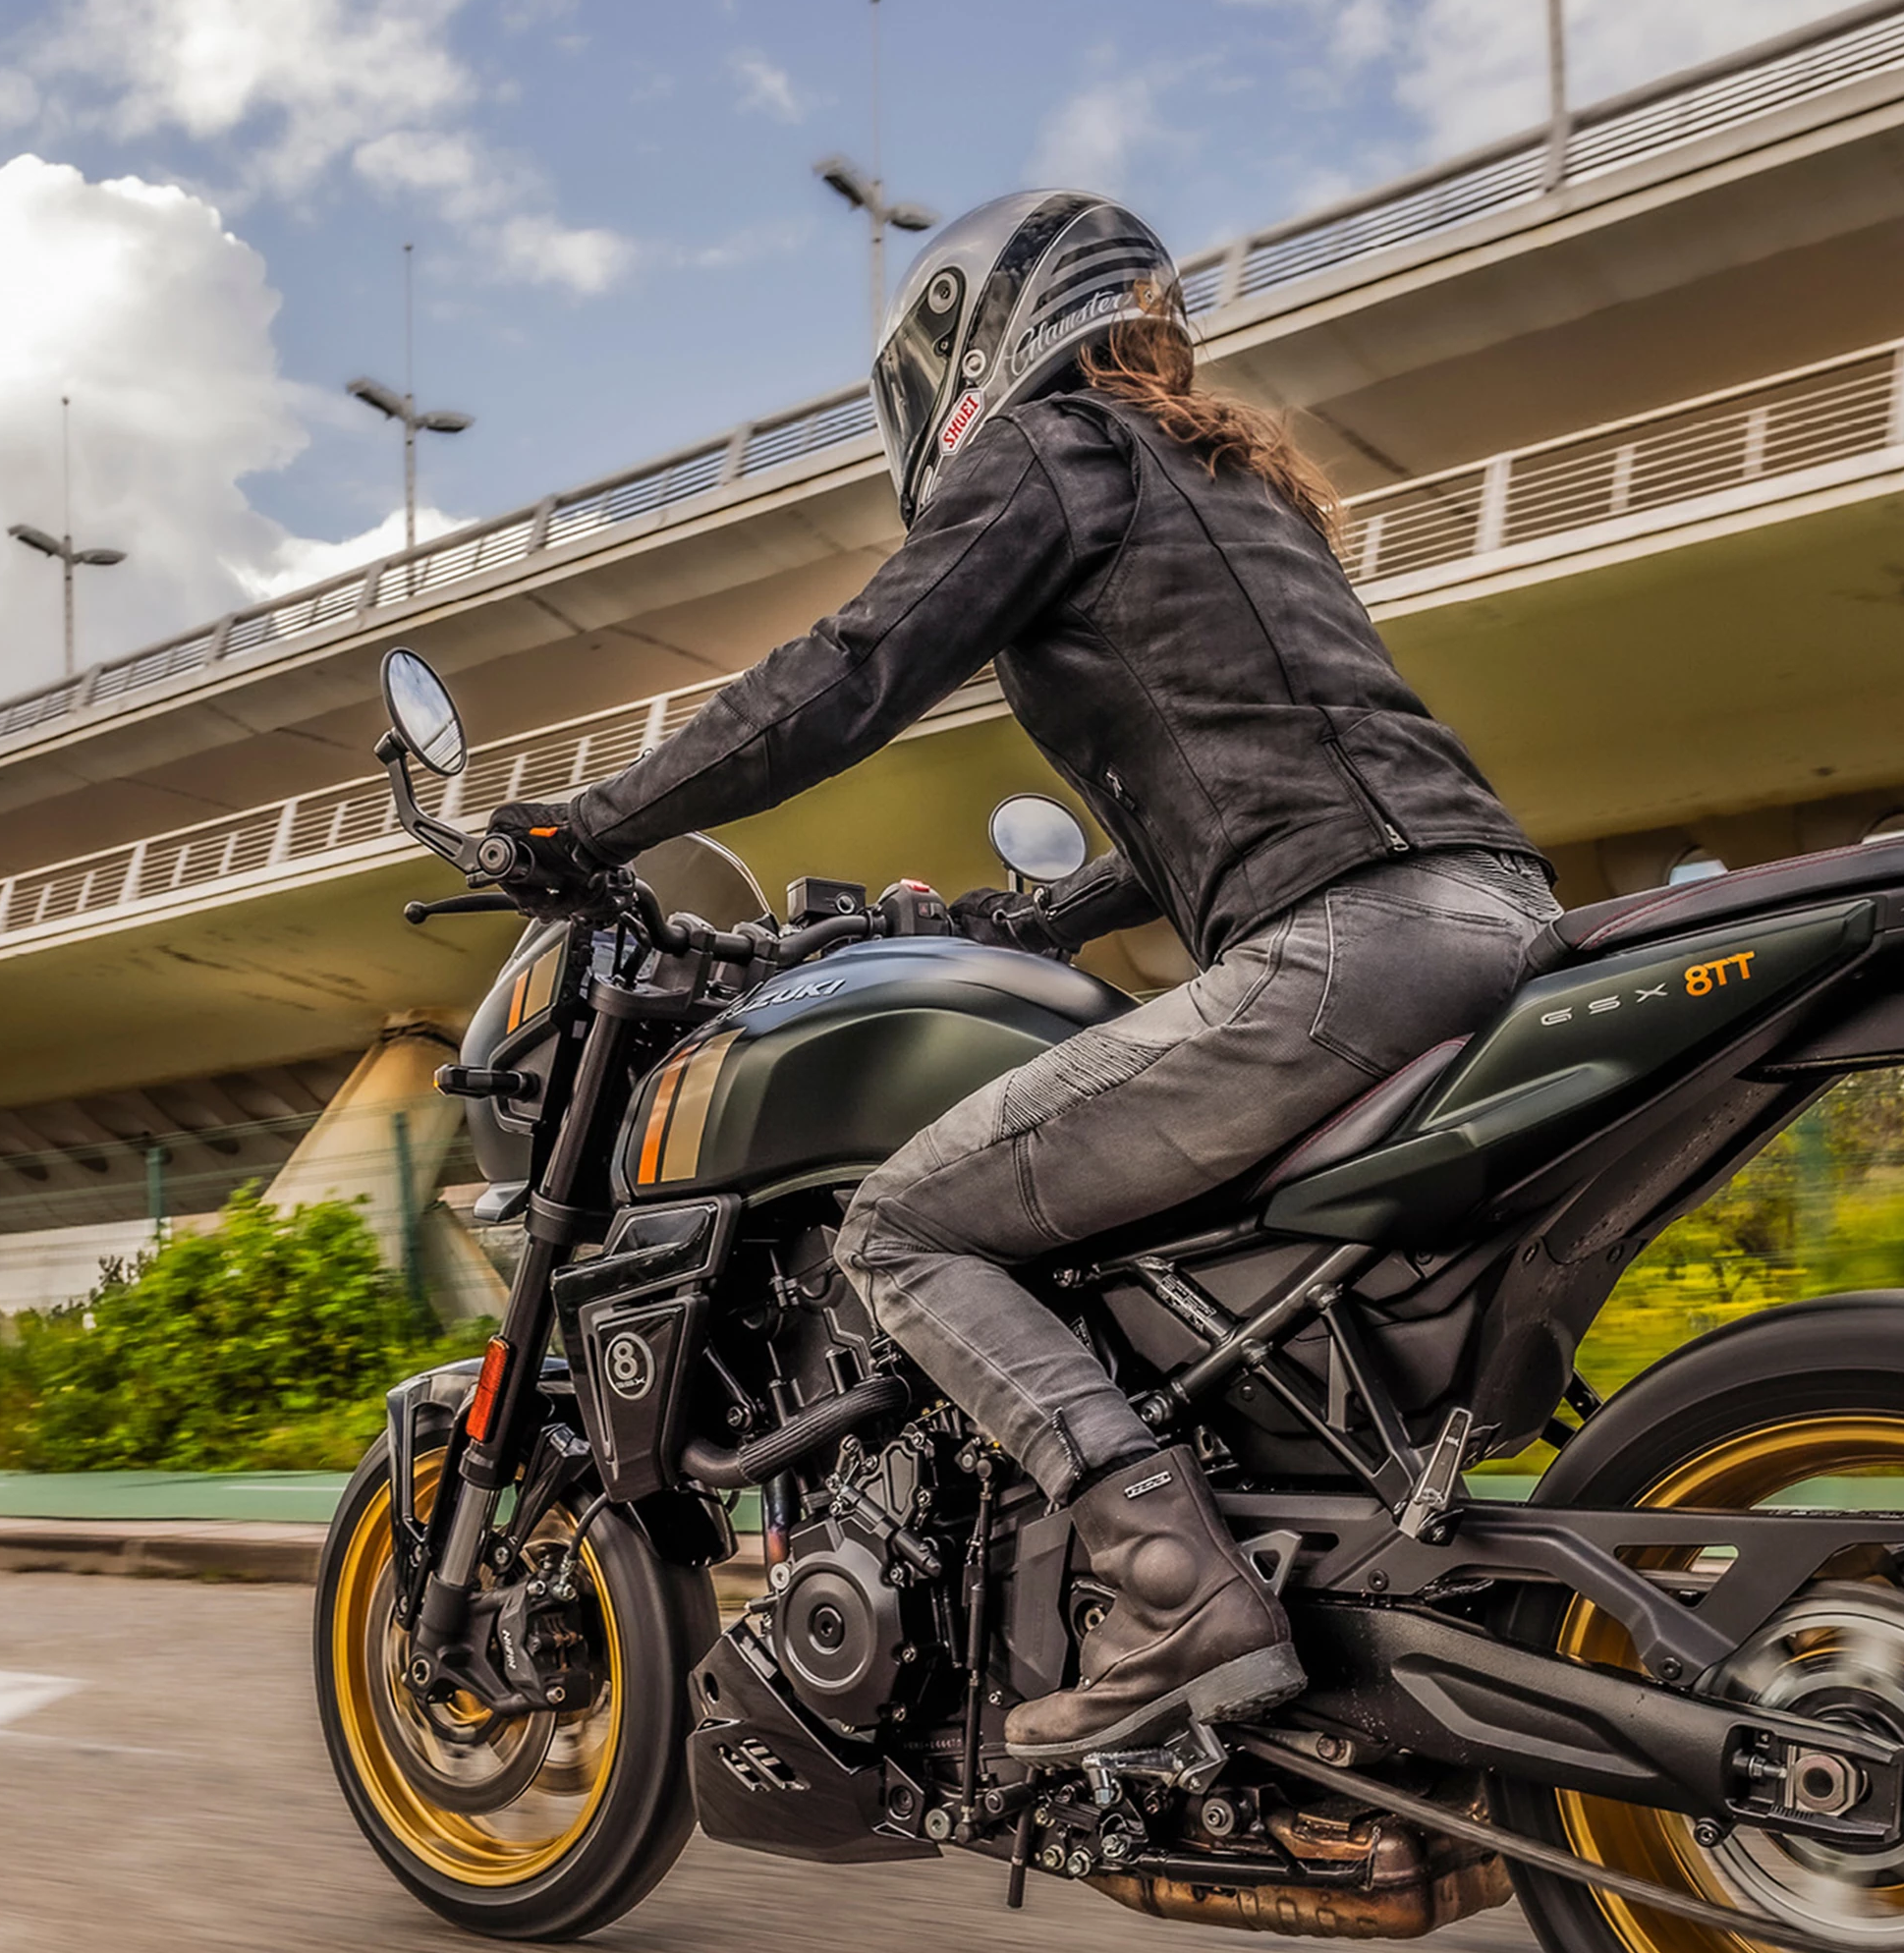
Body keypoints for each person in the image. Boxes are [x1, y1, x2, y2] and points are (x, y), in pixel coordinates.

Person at [502, 191, 1557, 1762]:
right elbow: (1268, 762)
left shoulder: (1053, 454)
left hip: (1347, 953)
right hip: (1494, 918)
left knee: (906, 1226)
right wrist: (1040, 922)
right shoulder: (1233, 485)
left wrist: (586, 821)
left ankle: (1172, 1585)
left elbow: (853, 672)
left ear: (973, 344)